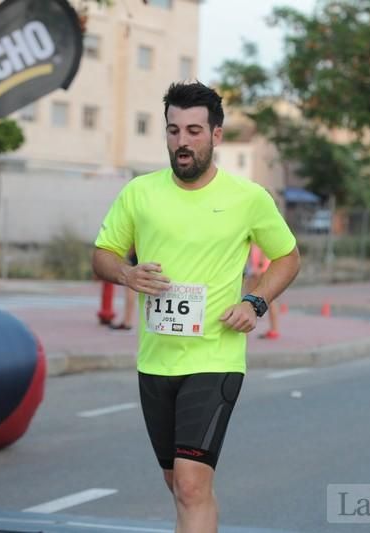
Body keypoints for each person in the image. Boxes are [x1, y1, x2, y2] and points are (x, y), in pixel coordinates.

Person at [92, 81, 300, 533]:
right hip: (155, 360)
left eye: (193, 131)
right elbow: (104, 252)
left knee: (189, 485)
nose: (182, 142)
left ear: (217, 135)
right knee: (182, 484)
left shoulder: (247, 198)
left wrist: (256, 301)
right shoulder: (139, 193)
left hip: (215, 356)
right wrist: (127, 274)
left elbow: (288, 257)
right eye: (173, 131)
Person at [245, 244, 280, 339]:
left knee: (250, 298)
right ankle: (274, 329)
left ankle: (245, 330)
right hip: (258, 267)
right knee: (269, 299)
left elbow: (264, 248)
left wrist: (259, 265)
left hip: (260, 268)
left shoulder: (257, 234)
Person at [109, 248, 138, 331]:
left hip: (135, 256)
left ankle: (127, 321)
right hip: (137, 255)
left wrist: (127, 257)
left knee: (130, 289)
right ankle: (127, 320)